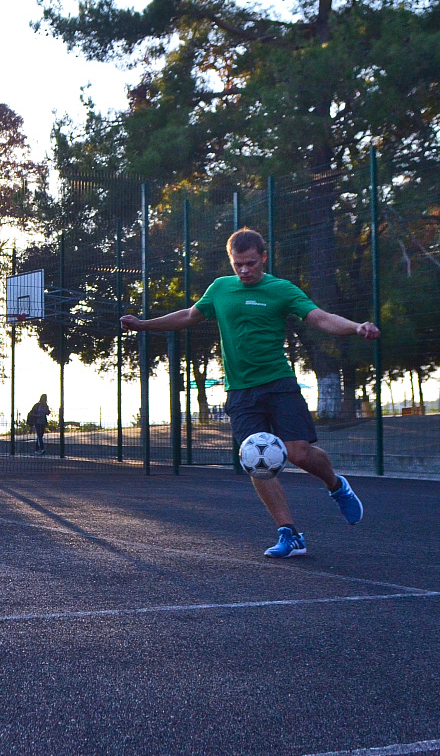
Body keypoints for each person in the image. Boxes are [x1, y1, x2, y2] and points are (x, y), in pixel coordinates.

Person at [120, 227, 373, 558]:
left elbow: (320, 319)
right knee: (257, 461)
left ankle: (337, 486)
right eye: (238, 263)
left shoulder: (281, 289)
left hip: (279, 384)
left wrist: (356, 327)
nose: (244, 270)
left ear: (263, 258)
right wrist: (144, 324)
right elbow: (188, 316)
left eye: (250, 263)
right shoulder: (220, 288)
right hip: (240, 393)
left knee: (299, 454)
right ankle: (290, 533)